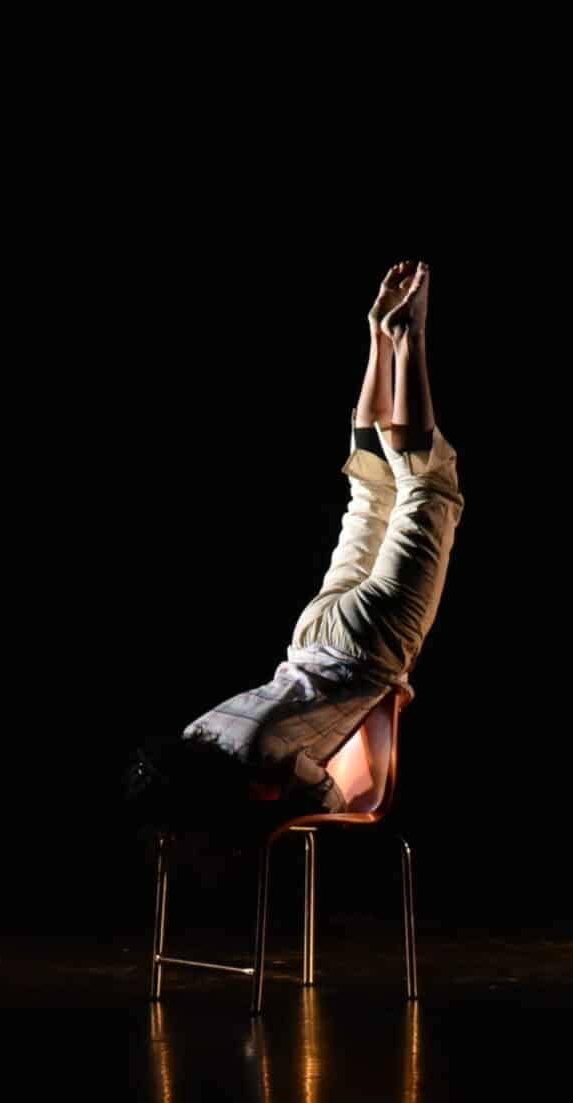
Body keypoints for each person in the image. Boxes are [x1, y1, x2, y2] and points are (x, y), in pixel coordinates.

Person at [123, 261, 465, 859]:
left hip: (365, 647)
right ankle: (378, 338)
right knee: (370, 494)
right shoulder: (198, 732)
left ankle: (409, 338)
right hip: (310, 635)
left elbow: (331, 796)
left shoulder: (260, 763)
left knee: (425, 490)